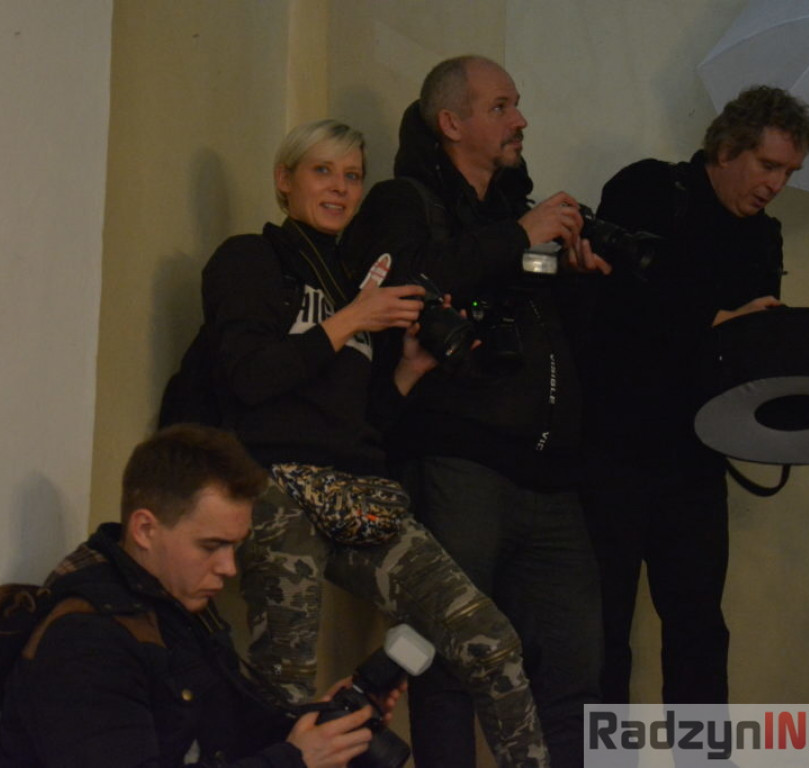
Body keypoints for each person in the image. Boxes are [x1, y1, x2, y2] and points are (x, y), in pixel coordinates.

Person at [200, 118, 548, 768]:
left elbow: (362, 421)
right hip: (273, 486)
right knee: (287, 680)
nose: (339, 188)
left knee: (490, 638)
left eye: (352, 176)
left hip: (358, 494)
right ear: (284, 180)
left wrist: (409, 369)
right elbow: (248, 377)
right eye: (322, 171)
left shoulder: (352, 284)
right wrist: (352, 319)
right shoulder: (250, 259)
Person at [341, 56, 606, 768]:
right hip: (459, 467)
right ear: (451, 123)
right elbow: (401, 286)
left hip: (553, 476)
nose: (520, 120)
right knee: (449, 663)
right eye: (500, 107)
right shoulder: (405, 201)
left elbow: (555, 335)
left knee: (577, 669)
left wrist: (579, 274)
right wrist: (520, 234)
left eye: (517, 105)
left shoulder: (516, 215)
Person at [577, 85, 809, 705]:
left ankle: (702, 751)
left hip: (695, 454)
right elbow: (611, 304)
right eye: (769, 165)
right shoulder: (650, 188)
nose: (776, 185)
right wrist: (716, 322)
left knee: (700, 629)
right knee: (603, 630)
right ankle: (606, 751)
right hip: (614, 448)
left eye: (789, 173)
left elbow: (742, 350)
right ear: (728, 148)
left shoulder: (763, 237)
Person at [0, 423, 398, 768]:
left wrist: (324, 723)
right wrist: (294, 761)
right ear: (145, 529)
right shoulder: (86, 641)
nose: (229, 567)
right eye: (210, 546)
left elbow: (230, 728)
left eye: (234, 546)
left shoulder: (174, 605)